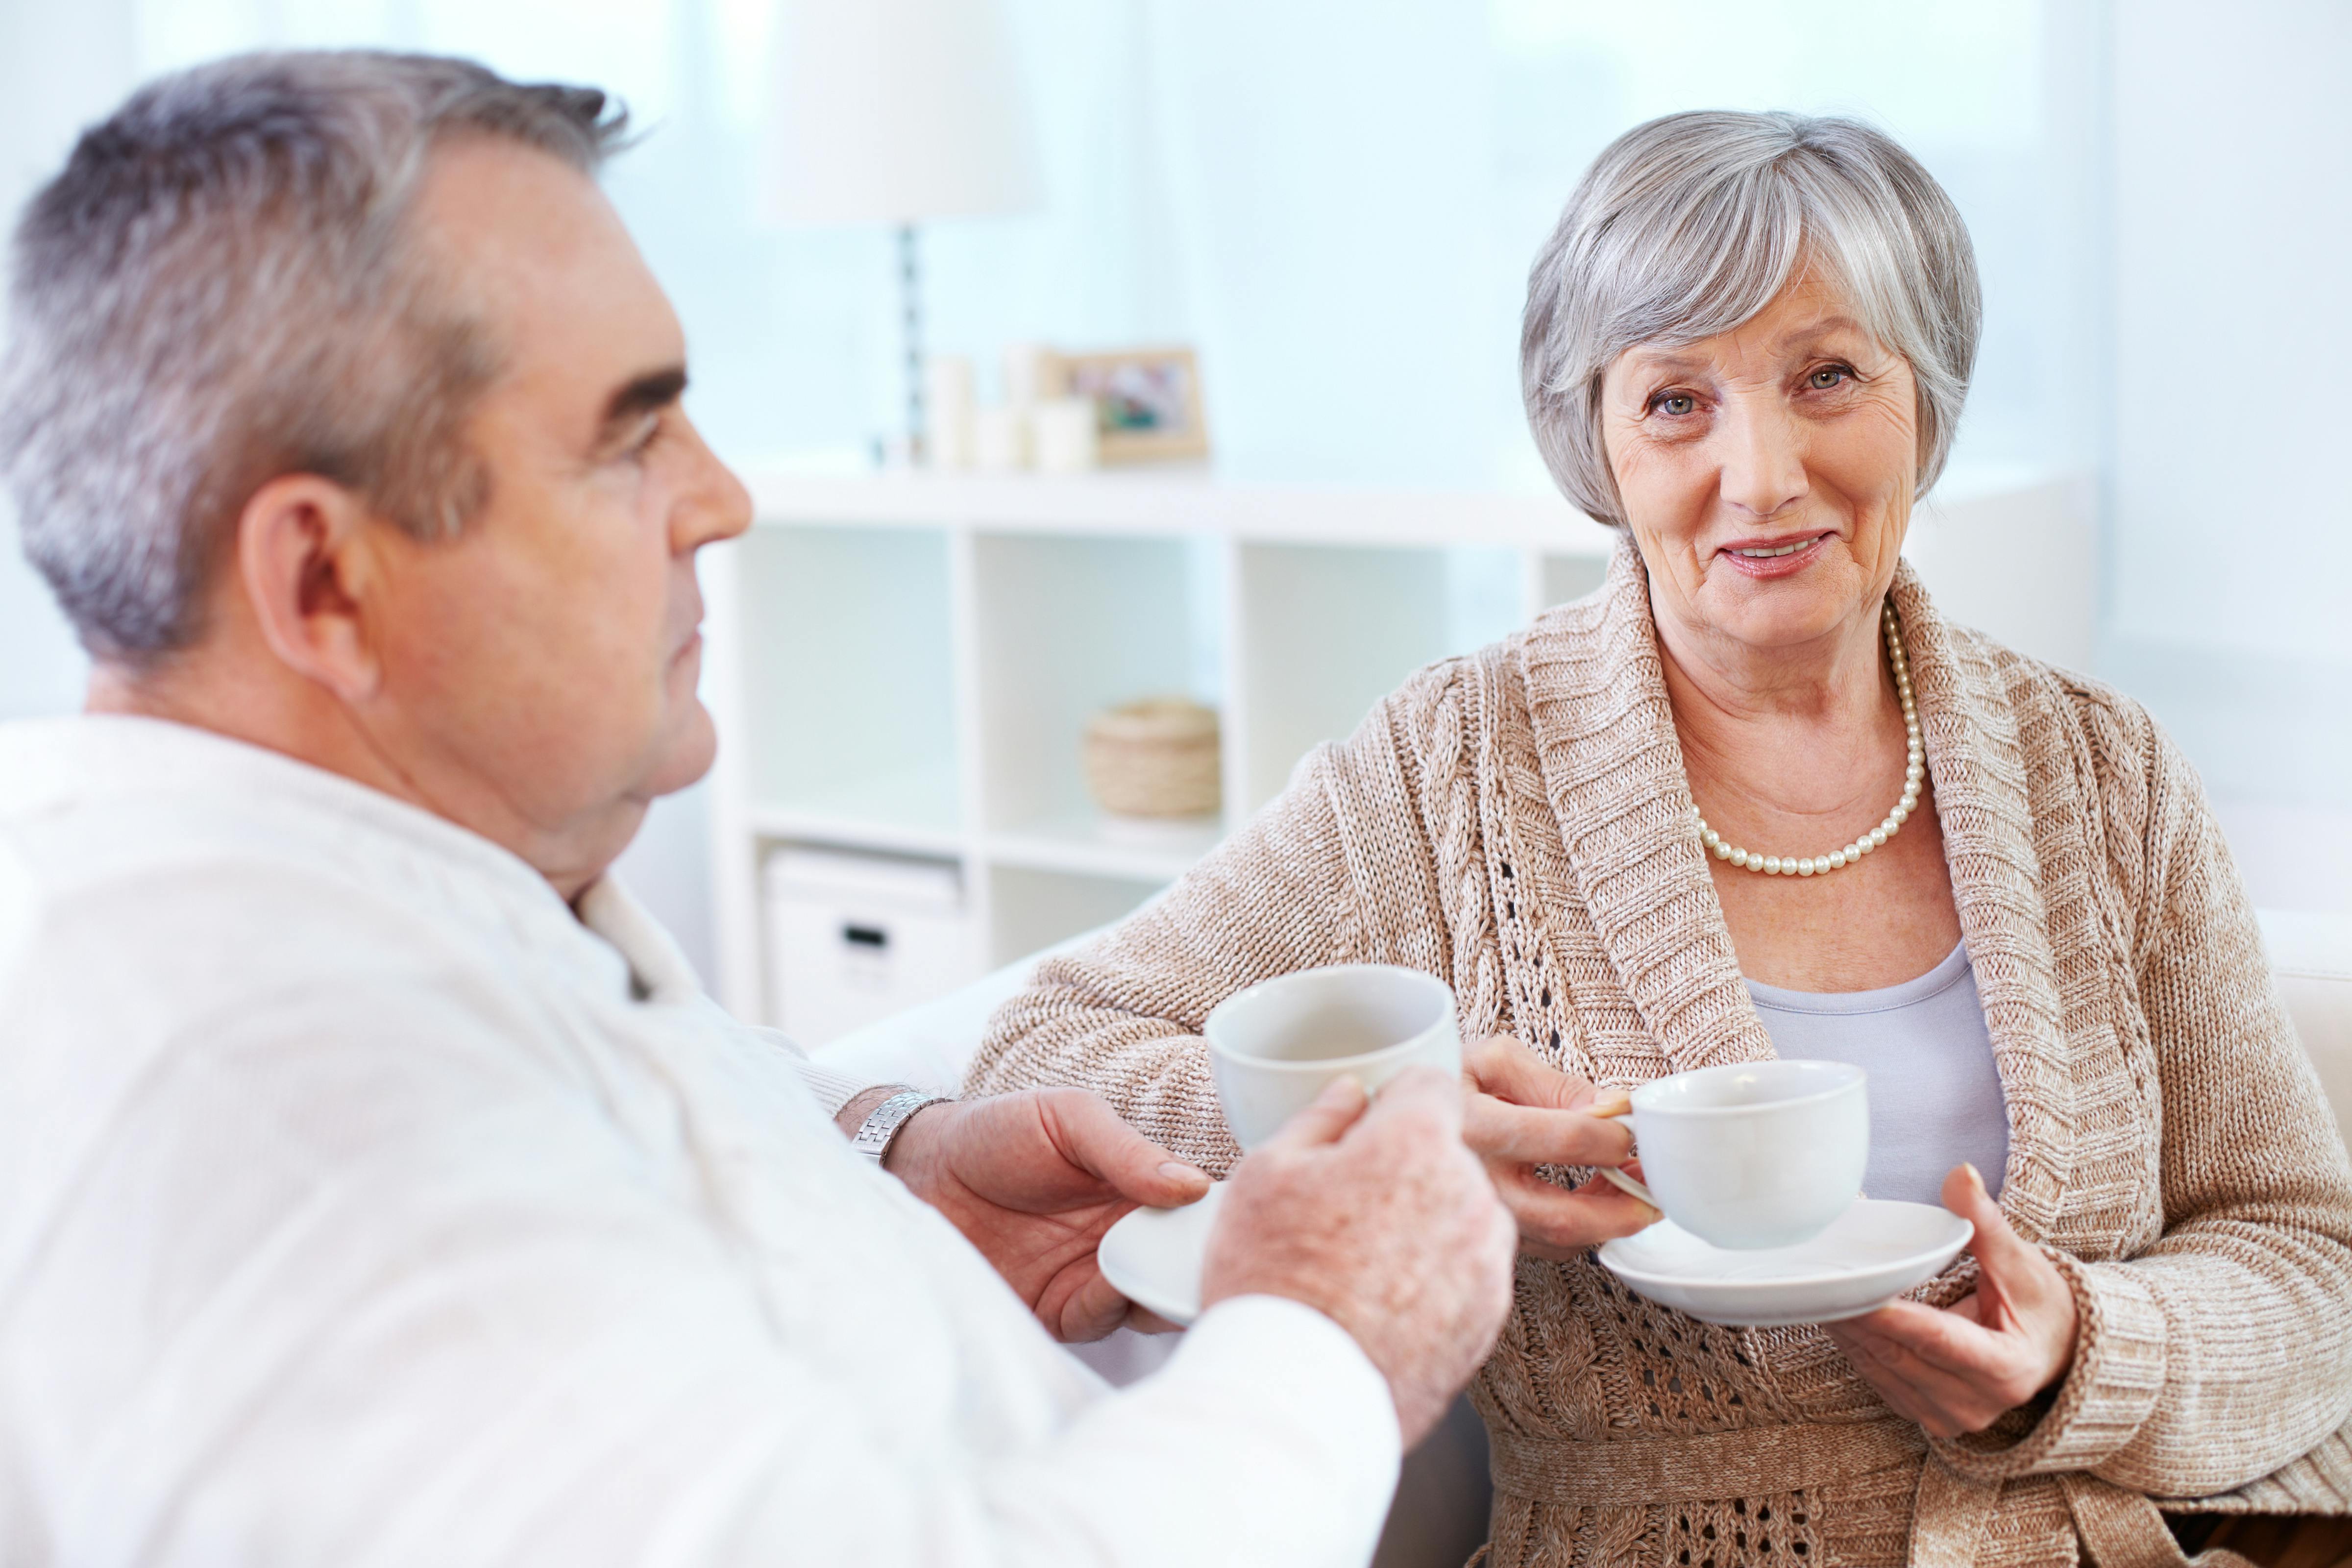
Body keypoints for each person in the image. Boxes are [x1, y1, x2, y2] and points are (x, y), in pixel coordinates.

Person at [0, 51, 1523, 1566]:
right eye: (627, 435)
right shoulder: (293, 1108)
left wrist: (888, 1171)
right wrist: (1325, 1333)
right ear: (328, 582)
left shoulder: (381, 875)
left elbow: (626, 1149)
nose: (723, 498)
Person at [967, 111, 2352, 1567]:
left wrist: (2088, 1349)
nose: (1761, 476)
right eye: (1677, 402)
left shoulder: (2101, 770)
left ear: (1924, 405)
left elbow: (2307, 1261)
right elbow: (1048, 1050)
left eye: (1828, 376)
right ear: (1598, 443)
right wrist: (1397, 1128)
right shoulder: (1454, 769)